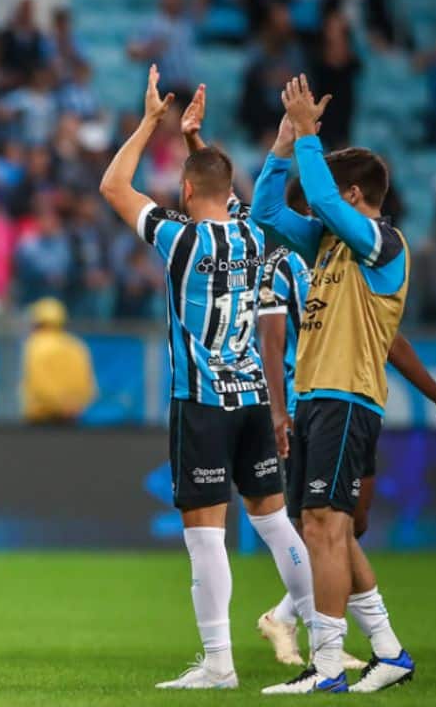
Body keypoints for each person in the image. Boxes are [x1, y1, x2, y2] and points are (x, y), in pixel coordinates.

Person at [100, 66, 314, 690]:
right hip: (254, 397)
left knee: (204, 536)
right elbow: (221, 187)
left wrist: (149, 123)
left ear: (187, 191)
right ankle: (324, 639)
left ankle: (219, 663)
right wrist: (196, 139)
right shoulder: (253, 233)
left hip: (202, 400)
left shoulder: (180, 240)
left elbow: (114, 186)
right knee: (276, 524)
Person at [251, 77, 436, 693]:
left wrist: (311, 140)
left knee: (323, 525)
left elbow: (315, 189)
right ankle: (391, 654)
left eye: (330, 196)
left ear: (352, 195)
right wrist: (287, 139)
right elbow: (268, 210)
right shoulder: (327, 244)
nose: (318, 205)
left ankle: (325, 666)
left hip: (348, 397)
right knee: (331, 531)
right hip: (317, 397)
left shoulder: (382, 244)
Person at [19, 298, 97, 424]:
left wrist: (57, 404)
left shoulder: (33, 346)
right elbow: (88, 384)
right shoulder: (77, 345)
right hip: (72, 417)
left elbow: (38, 383)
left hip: (41, 419)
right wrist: (71, 405)